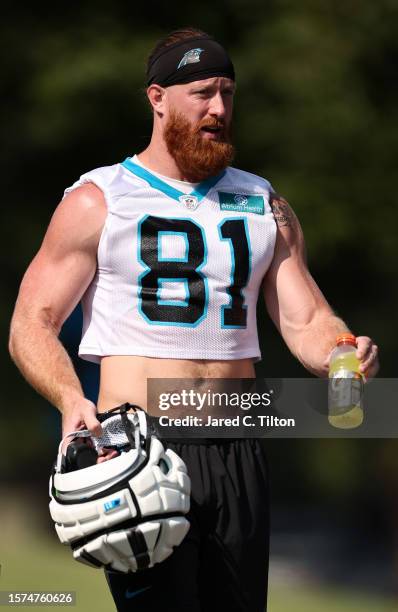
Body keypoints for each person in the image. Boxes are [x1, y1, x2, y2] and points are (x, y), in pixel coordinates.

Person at [9, 27, 379, 612]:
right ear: (157, 98)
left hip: (239, 438)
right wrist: (69, 400)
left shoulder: (264, 203)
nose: (219, 109)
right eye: (203, 92)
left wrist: (343, 347)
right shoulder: (98, 198)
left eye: (228, 93)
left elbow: (306, 319)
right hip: (142, 441)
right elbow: (32, 321)